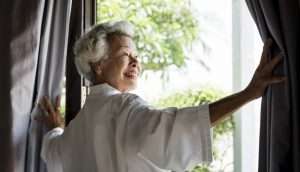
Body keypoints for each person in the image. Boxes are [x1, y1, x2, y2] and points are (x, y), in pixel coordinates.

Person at [36, 21, 285, 172]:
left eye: (136, 54)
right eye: (126, 53)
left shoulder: (74, 132)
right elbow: (178, 125)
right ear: (98, 65)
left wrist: (55, 128)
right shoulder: (123, 107)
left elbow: (52, 151)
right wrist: (249, 93)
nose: (136, 60)